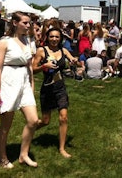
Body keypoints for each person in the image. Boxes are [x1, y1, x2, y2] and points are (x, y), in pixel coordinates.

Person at [0, 11, 39, 169]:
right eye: (25, 22)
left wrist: (31, 86)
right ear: (15, 23)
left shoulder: (28, 40)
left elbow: (29, 66)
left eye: (29, 22)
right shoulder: (5, 42)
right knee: (6, 124)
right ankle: (2, 157)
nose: (28, 25)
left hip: (24, 82)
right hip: (8, 82)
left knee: (33, 121)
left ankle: (23, 154)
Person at [33, 27, 78, 158]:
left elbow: (72, 59)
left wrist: (75, 61)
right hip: (47, 89)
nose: (54, 39)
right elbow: (32, 68)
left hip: (60, 88)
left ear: (60, 38)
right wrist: (43, 66)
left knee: (63, 117)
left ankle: (62, 148)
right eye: (52, 36)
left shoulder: (63, 51)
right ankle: (30, 131)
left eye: (57, 37)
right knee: (45, 121)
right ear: (47, 37)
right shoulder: (42, 51)